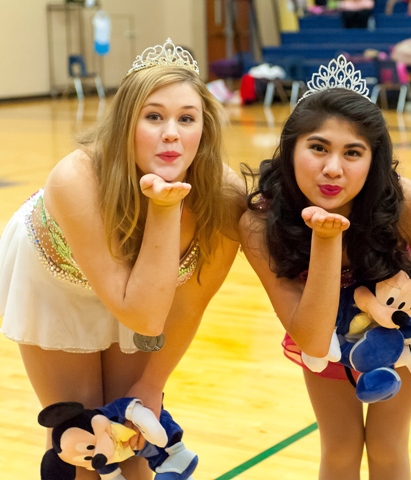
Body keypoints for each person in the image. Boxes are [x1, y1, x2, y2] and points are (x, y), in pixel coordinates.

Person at [0, 38, 244, 479]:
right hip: (56, 281)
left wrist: (152, 385)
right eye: (154, 117)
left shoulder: (222, 194)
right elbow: (146, 317)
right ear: (125, 125)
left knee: (130, 439)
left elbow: (188, 306)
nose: (171, 132)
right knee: (85, 439)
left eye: (186, 119)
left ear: (203, 129)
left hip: (138, 295)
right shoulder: (76, 178)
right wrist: (166, 209)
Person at [239, 55, 411, 479]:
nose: (332, 169)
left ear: (373, 158)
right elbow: (310, 335)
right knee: (340, 447)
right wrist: (325, 240)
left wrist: (403, 309)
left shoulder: (404, 201)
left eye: (353, 152)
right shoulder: (259, 222)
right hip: (318, 325)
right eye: (318, 147)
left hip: (393, 327)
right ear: (291, 148)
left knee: (386, 444)